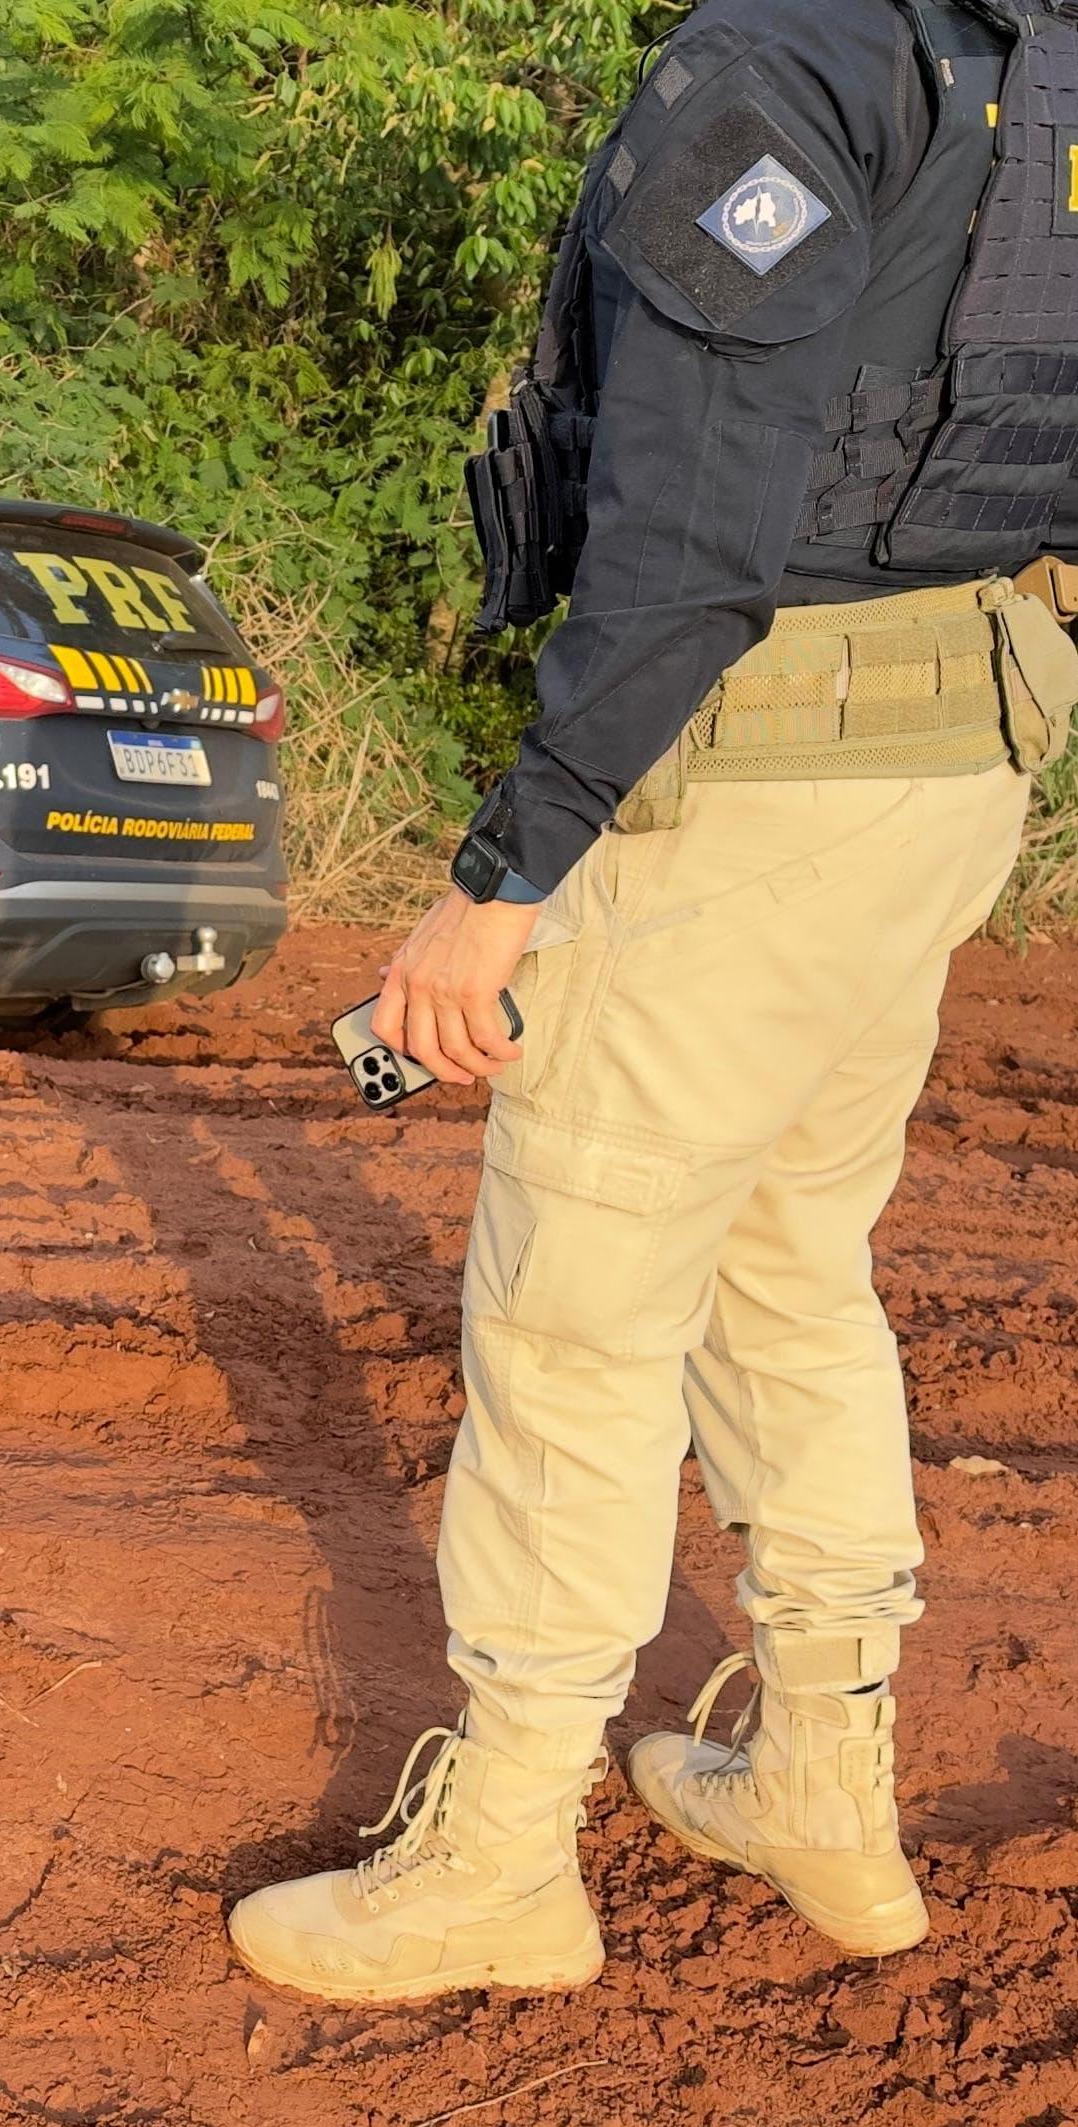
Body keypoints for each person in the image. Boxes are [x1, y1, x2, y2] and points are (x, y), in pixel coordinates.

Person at [229, 0, 1078, 2001]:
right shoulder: (1022, 64)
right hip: (956, 748)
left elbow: (690, 542)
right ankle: (818, 1781)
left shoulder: (779, 67)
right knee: (790, 1255)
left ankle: (504, 1853)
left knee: (574, 1318)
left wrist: (495, 886)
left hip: (756, 777)